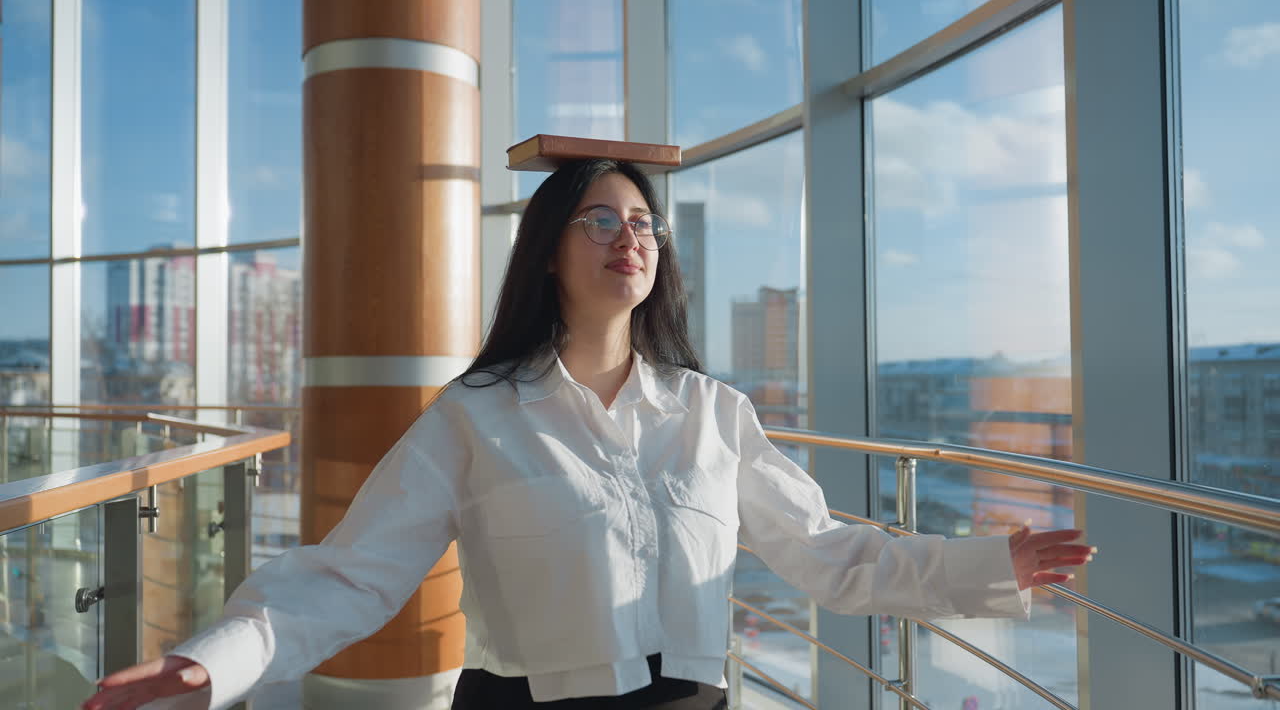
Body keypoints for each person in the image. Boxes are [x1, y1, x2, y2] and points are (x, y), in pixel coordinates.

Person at [81, 159, 1094, 710]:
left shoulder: (711, 414)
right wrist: (211, 662)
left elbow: (828, 555)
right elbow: (351, 575)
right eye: (601, 222)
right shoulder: (475, 419)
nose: (629, 239)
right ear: (548, 253)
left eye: (643, 224)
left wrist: (982, 565)